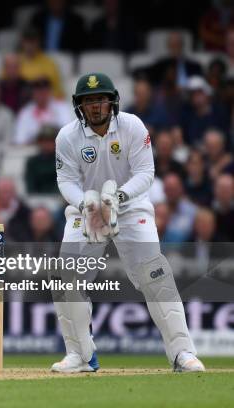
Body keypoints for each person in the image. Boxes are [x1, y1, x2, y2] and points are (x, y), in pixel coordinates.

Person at [52, 72, 204, 373]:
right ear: (79, 106)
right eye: (88, 101)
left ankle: (182, 354)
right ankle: (81, 356)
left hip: (130, 207)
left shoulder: (133, 126)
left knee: (155, 275)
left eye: (100, 99)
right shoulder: (67, 136)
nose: (95, 107)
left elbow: (146, 173)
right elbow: (66, 180)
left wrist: (117, 198)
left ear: (112, 102)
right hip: (88, 209)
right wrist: (86, 205)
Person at [14, 77, 72, 145]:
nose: (41, 95)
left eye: (44, 91)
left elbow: (68, 133)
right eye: (38, 91)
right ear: (33, 93)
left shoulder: (62, 108)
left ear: (50, 91)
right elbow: (20, 140)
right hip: (33, 150)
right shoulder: (25, 112)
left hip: (58, 148)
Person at [17, 28, 64, 99]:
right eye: (27, 41)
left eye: (33, 41)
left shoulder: (49, 63)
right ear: (22, 42)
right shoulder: (15, 61)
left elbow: (56, 89)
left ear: (38, 42)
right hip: (21, 101)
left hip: (44, 102)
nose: (30, 45)